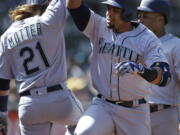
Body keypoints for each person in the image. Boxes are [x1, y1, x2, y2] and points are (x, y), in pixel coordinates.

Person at [67, 0, 171, 134]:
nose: (109, 13)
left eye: (115, 10)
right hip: (103, 105)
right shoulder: (98, 26)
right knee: (84, 132)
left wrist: (142, 70)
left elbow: (164, 77)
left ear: (128, 14)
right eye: (108, 8)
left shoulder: (147, 39)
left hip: (135, 111)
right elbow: (74, 6)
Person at [0, 0, 84, 135]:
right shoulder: (48, 19)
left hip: (29, 104)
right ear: (45, 6)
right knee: (85, 125)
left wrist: (2, 113)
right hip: (59, 98)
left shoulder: (6, 37)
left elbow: (2, 83)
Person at [138, 0, 180, 135]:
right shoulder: (134, 43)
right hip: (136, 114)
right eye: (139, 15)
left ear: (160, 19)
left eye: (145, 16)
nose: (140, 20)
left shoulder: (176, 45)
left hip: (165, 115)